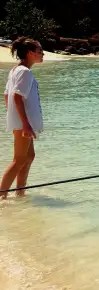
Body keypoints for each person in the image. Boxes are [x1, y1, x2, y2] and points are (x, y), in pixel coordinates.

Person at [1, 38, 44, 200]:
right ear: (30, 53)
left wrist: (13, 116)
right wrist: (24, 123)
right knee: (18, 160)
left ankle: (20, 192)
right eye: (40, 51)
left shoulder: (16, 70)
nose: (42, 54)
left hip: (21, 121)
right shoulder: (25, 72)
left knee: (29, 156)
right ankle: (1, 197)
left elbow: (7, 95)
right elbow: (16, 97)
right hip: (23, 123)